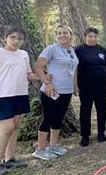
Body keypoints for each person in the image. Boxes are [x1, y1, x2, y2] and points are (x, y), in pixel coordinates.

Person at [0, 27, 39, 175]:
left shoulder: (23, 54)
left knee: (15, 126)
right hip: (3, 96)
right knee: (7, 128)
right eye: (13, 37)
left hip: (20, 94)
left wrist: (43, 77)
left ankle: (9, 158)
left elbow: (28, 74)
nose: (16, 41)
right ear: (5, 38)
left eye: (19, 38)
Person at [33, 25, 79, 160]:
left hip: (66, 91)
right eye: (59, 33)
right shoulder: (52, 49)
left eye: (65, 33)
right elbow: (38, 67)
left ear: (70, 35)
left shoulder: (72, 50)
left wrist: (75, 86)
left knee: (58, 118)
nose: (62, 35)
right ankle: (40, 149)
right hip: (51, 90)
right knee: (48, 118)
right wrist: (47, 83)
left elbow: (74, 69)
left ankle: (53, 145)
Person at [74, 27, 106, 146]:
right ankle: (85, 136)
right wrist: (74, 85)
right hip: (85, 85)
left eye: (95, 36)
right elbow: (74, 68)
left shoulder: (101, 49)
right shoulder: (79, 50)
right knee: (85, 110)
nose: (93, 38)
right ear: (85, 37)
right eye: (90, 36)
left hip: (100, 84)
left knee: (101, 109)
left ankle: (101, 133)